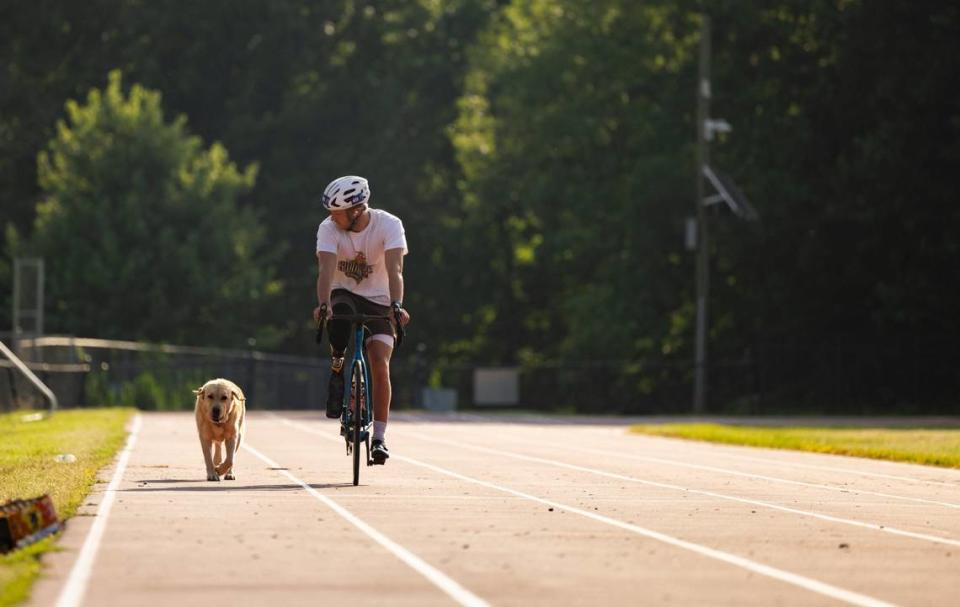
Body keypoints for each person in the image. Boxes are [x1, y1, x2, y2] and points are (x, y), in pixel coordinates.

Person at [313, 175, 410, 464]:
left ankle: (379, 437)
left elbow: (396, 271)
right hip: (343, 293)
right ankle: (337, 364)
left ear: (356, 210)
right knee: (339, 316)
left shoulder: (389, 225)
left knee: (380, 363)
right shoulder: (328, 229)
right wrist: (323, 304)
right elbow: (326, 271)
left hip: (380, 299)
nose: (332, 218)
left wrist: (396, 305)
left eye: (337, 213)